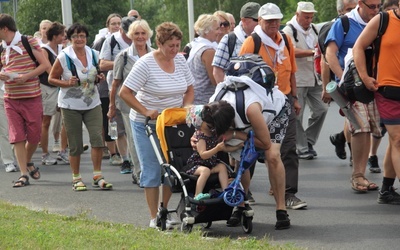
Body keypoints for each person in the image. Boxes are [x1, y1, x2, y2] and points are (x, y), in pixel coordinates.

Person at [119, 22, 194, 228]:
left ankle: (164, 209)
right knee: (152, 169)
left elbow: (189, 89)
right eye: (171, 45)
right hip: (147, 122)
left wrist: (186, 107)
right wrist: (145, 111)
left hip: (171, 121)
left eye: (178, 45)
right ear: (159, 43)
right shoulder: (145, 63)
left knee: (171, 168)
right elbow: (125, 92)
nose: (175, 49)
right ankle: (154, 217)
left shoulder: (180, 60)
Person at [209, 55, 292, 230]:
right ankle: (241, 205)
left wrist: (236, 135)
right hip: (239, 124)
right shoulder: (214, 103)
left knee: (272, 155)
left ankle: (281, 209)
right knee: (241, 161)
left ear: (231, 123)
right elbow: (204, 128)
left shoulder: (251, 109)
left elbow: (265, 143)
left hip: (276, 112)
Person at [240, 3, 307, 210]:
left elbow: (292, 72)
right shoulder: (252, 42)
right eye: (269, 20)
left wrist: (294, 98)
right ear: (259, 21)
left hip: (284, 100)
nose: (273, 24)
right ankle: (244, 192)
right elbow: (241, 76)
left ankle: (288, 194)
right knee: (251, 146)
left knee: (288, 148)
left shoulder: (285, 40)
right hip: (258, 103)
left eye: (276, 20)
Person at [325, 0, 381, 192]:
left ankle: (361, 174)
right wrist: (342, 80)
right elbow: (330, 54)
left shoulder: (379, 21)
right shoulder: (345, 23)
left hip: (373, 84)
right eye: (371, 6)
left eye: (378, 6)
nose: (375, 10)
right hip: (351, 85)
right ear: (360, 3)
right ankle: (357, 176)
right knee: (361, 127)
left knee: (371, 129)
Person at [48, 23, 111, 191]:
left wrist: (99, 77)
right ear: (69, 39)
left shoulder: (94, 54)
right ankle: (76, 178)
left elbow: (96, 73)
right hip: (70, 105)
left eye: (82, 36)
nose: (79, 39)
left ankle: (97, 175)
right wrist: (66, 83)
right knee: (75, 143)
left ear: (86, 38)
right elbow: (51, 79)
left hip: (92, 103)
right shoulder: (64, 56)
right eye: (75, 36)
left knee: (98, 140)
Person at [353, 6, 400, 204]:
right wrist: (364, 77)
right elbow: (358, 47)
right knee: (398, 139)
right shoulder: (383, 20)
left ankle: (386, 189)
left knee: (395, 141)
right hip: (388, 90)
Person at [0, 14, 50, 187]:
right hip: (10, 98)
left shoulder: (28, 41)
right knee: (17, 137)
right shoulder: (1, 48)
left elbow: (45, 65)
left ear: (4, 28)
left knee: (35, 136)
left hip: (32, 96)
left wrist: (25, 77)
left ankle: (28, 162)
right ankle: (23, 174)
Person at [108, 19, 154, 178]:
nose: (140, 37)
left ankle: (154, 169)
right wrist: (111, 107)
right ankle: (139, 171)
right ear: (130, 35)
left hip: (151, 103)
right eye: (136, 33)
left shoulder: (155, 54)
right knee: (134, 139)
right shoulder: (124, 56)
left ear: (148, 34)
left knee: (153, 138)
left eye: (143, 33)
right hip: (129, 105)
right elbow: (115, 83)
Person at [283, 2, 328, 159]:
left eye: (311, 17)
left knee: (322, 109)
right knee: (297, 115)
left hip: (315, 77)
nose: (309, 20)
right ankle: (301, 148)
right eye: (306, 17)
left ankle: (308, 140)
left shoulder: (314, 28)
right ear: (297, 15)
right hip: (299, 79)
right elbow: (290, 51)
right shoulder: (289, 30)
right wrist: (313, 52)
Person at [100, 16, 136, 167]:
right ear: (121, 29)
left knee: (135, 124)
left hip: (138, 88)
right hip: (117, 87)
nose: (132, 37)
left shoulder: (142, 39)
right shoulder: (111, 41)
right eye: (129, 33)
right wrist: (123, 63)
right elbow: (102, 64)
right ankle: (125, 159)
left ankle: (136, 158)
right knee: (120, 126)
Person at [186, 101, 240, 200]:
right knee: (205, 171)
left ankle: (225, 191)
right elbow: (203, 155)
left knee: (222, 166)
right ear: (200, 123)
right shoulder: (201, 137)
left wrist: (238, 146)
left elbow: (225, 148)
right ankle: (197, 194)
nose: (211, 128)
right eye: (209, 126)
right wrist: (216, 149)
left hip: (210, 163)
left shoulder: (213, 134)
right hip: (198, 165)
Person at [93, 13, 122, 161]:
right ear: (108, 26)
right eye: (113, 24)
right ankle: (112, 152)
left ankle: (119, 149)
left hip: (121, 87)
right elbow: (97, 63)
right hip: (105, 87)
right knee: (109, 119)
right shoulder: (103, 41)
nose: (117, 26)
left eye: (119, 23)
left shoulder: (126, 41)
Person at [212, 2, 260, 84]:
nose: (260, 22)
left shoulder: (267, 38)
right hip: (237, 93)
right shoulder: (229, 39)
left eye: (262, 19)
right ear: (244, 21)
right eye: (256, 20)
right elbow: (217, 71)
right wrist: (228, 92)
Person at [40, 21, 67, 165]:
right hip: (48, 88)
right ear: (55, 36)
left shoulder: (62, 49)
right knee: (46, 121)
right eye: (62, 34)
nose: (64, 37)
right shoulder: (44, 50)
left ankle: (63, 150)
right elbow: (50, 71)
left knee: (67, 119)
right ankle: (44, 153)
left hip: (61, 88)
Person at [187, 14, 221, 104]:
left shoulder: (195, 45)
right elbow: (216, 80)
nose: (219, 32)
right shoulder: (209, 51)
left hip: (194, 98)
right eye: (217, 29)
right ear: (206, 31)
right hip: (205, 101)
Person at [0, 80, 18, 172]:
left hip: (17, 94)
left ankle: (15, 156)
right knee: (4, 130)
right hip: (1, 94)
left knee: (17, 130)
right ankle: (8, 161)